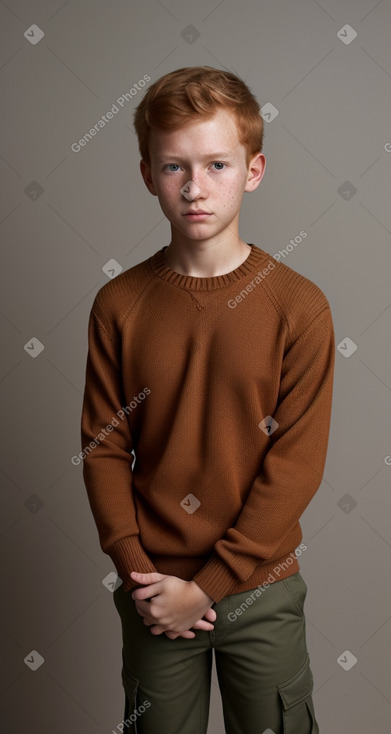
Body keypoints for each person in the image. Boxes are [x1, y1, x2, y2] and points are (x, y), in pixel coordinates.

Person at [80, 65, 335, 734]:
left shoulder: (298, 307)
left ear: (252, 170)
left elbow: (296, 465)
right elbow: (104, 451)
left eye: (216, 164)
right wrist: (143, 579)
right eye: (174, 168)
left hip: (261, 589)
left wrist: (210, 585)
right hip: (155, 595)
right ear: (147, 175)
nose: (195, 188)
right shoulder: (119, 305)